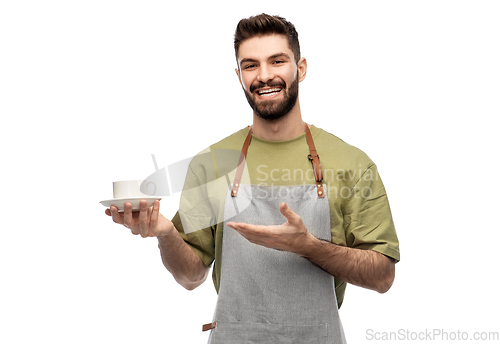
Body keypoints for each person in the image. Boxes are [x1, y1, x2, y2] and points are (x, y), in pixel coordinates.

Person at [105, 13, 400, 344]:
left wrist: (309, 247)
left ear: (300, 68)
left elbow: (383, 277)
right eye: (250, 65)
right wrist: (166, 233)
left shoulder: (351, 163)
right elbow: (191, 276)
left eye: (277, 61)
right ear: (239, 75)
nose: (264, 75)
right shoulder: (213, 164)